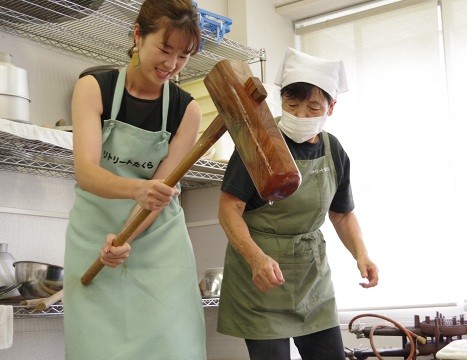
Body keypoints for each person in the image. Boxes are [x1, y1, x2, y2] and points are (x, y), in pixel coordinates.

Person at [63, 1, 206, 358]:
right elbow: (87, 171)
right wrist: (138, 190)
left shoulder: (187, 110)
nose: (172, 65)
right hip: (94, 234)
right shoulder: (93, 87)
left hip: (157, 241)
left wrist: (129, 233)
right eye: (165, 49)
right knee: (96, 347)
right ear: (138, 35)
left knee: (171, 344)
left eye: (184, 56)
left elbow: (161, 194)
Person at [216, 47, 379, 360]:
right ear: (281, 101)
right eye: (292, 105)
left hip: (311, 279)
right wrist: (255, 258)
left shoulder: (334, 150)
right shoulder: (258, 142)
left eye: (314, 107)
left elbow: (342, 215)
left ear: (331, 107)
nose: (301, 115)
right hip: (261, 277)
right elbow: (228, 209)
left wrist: (362, 254)